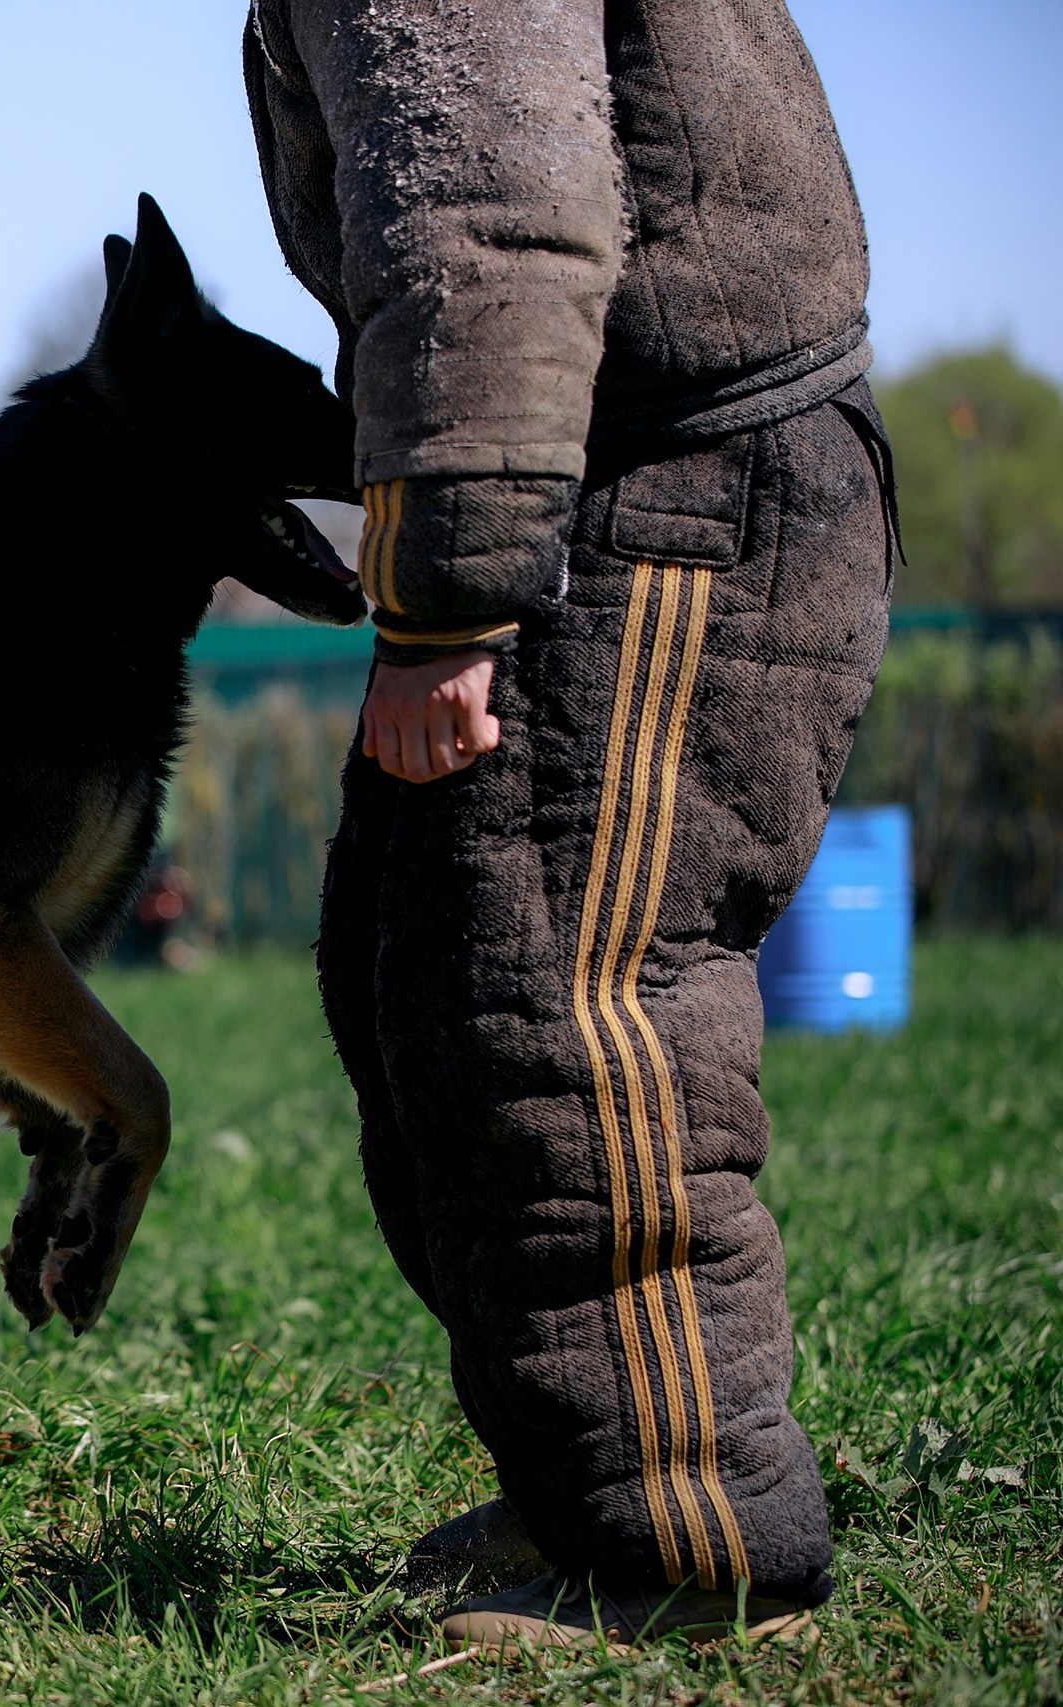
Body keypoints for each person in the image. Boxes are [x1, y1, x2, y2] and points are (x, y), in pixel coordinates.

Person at [242, 0, 896, 1647]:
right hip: (609, 475)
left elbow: (491, 202)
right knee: (425, 988)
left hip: (673, 482)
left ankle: (690, 1547)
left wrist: (445, 596)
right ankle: (583, 1480)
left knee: (557, 1014)